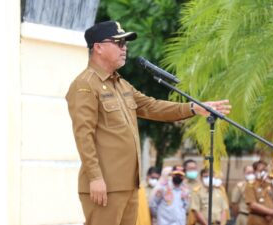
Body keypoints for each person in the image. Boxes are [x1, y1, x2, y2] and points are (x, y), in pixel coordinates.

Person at [65, 20, 232, 225]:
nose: (124, 48)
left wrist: (192, 108)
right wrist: (95, 178)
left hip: (129, 184)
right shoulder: (85, 85)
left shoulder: (122, 84)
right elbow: (84, 135)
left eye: (125, 43)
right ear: (98, 47)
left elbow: (152, 107)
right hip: (106, 184)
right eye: (118, 43)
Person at [244, 160, 273, 225]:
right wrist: (271, 212)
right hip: (256, 220)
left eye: (265, 170)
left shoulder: (270, 185)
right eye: (261, 170)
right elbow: (253, 205)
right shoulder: (250, 185)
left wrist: (272, 214)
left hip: (271, 221)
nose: (264, 172)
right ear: (255, 171)